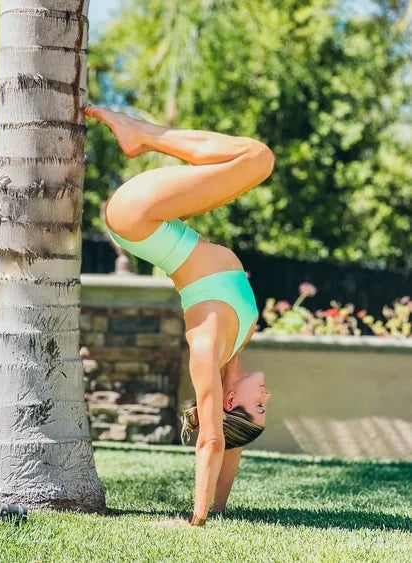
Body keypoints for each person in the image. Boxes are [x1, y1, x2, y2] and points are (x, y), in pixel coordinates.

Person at [84, 105, 273, 527]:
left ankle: (141, 133)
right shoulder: (233, 347)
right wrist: (219, 506)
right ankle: (141, 134)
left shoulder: (207, 348)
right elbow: (229, 443)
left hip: (138, 219)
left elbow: (213, 440)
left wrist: (198, 519)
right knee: (252, 163)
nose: (267, 397)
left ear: (229, 402)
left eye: (258, 406)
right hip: (163, 224)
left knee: (257, 158)